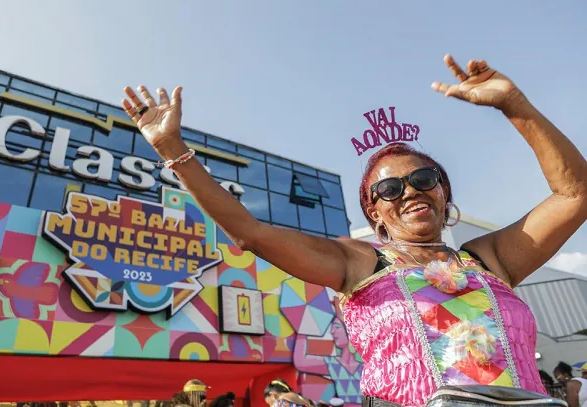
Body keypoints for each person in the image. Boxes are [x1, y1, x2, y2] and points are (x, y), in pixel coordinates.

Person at [121, 54, 587, 407]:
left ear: (444, 194)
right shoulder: (358, 264)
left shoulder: (491, 259)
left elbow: (575, 194)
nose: (410, 192)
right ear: (374, 213)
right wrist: (171, 146)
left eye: (424, 179)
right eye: (389, 188)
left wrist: (513, 104)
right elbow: (249, 231)